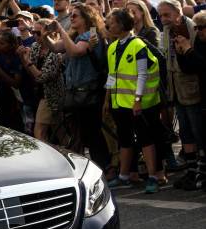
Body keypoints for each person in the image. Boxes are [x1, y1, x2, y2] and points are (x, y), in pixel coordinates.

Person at [104, 9, 163, 193]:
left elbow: (142, 75)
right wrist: (107, 99)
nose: (108, 25)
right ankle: (124, 175)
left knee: (146, 138)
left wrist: (137, 100)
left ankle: (153, 176)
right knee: (124, 139)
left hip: (140, 103)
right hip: (119, 102)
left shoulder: (138, 45)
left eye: (112, 22)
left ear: (122, 25)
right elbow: (112, 75)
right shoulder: (112, 47)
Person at [47, 4, 111, 170]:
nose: (72, 18)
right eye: (72, 15)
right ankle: (96, 166)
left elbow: (76, 51)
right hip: (77, 92)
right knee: (84, 133)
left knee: (93, 133)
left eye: (75, 16)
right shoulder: (76, 35)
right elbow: (55, 48)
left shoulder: (91, 35)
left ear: (86, 18)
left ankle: (105, 167)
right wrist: (44, 35)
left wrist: (60, 29)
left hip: (88, 91)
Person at [158, 0, 204, 189]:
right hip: (175, 87)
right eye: (160, 15)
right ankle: (192, 171)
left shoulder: (194, 27)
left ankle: (200, 172)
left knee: (198, 131)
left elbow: (197, 60)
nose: (163, 19)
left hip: (192, 87)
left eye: (166, 15)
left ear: (177, 12)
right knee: (185, 131)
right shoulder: (168, 30)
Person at [18, 18, 65, 141]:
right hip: (38, 94)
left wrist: (27, 61)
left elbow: (42, 77)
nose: (35, 36)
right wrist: (23, 58)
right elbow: (31, 73)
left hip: (51, 96)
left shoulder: (56, 52)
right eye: (33, 32)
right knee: (59, 131)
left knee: (39, 131)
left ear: (50, 34)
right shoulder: (35, 47)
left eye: (38, 33)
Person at [175, 10, 206, 189]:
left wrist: (189, 50)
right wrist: (181, 52)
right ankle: (197, 170)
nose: (199, 31)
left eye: (202, 28)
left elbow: (203, 65)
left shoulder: (199, 47)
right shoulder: (200, 44)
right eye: (197, 28)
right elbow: (189, 68)